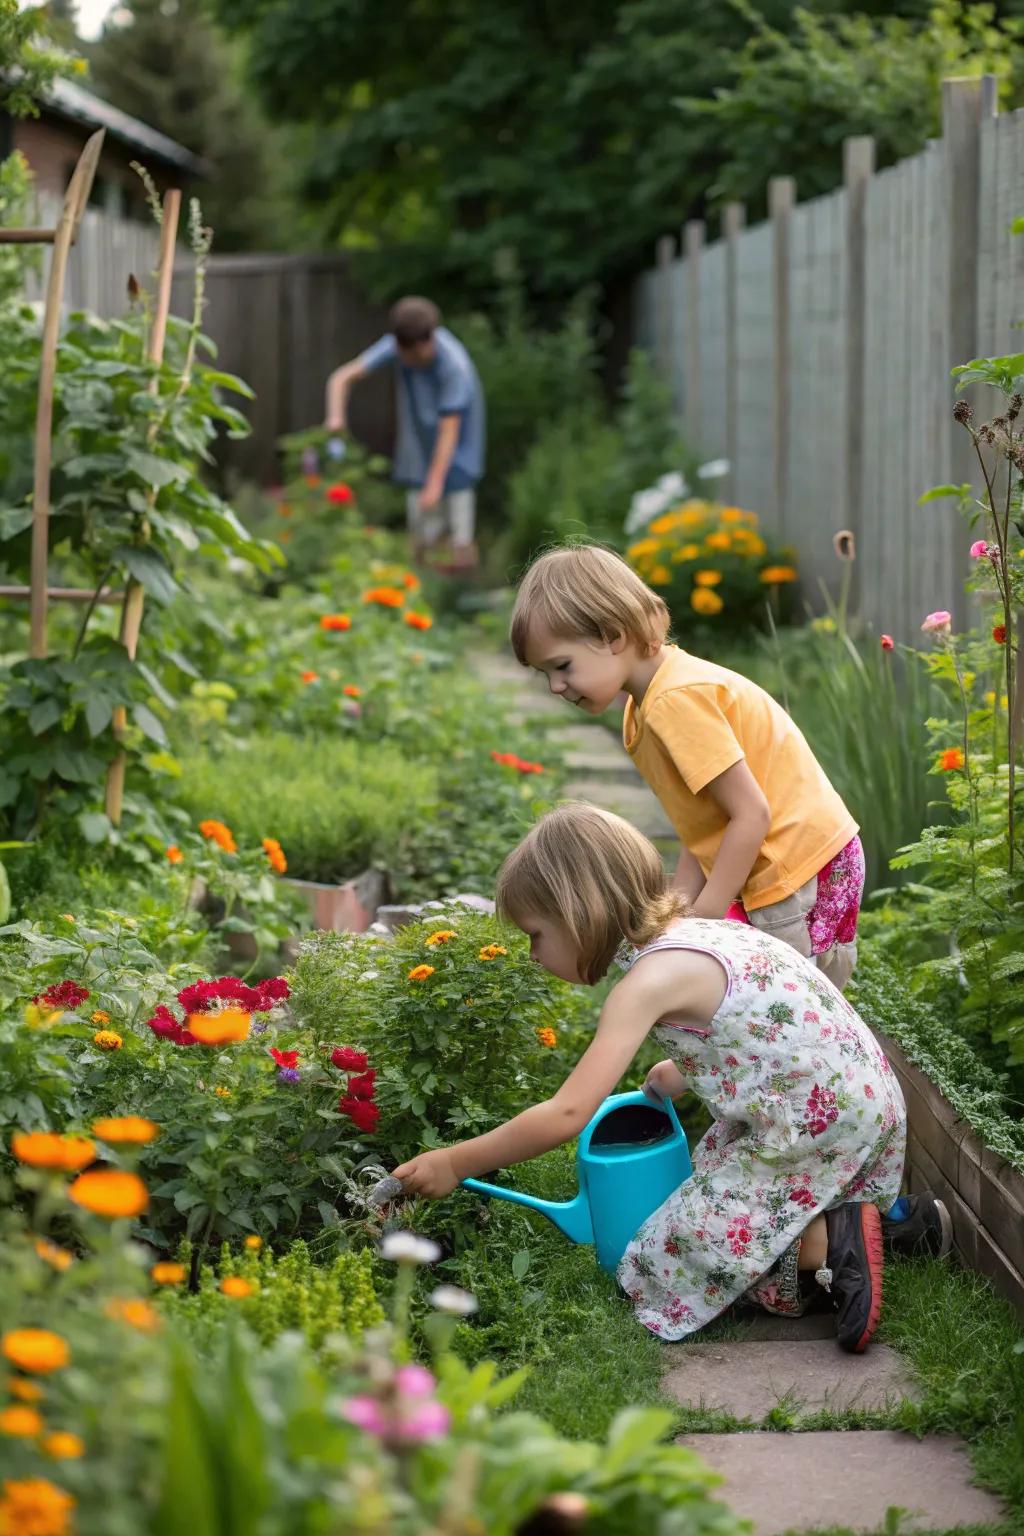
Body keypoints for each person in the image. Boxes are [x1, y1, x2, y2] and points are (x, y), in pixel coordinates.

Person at [506, 542, 950, 1261]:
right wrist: (682, 906)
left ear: (613, 637)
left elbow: (749, 816)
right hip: (773, 865)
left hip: (795, 867)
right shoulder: (641, 709)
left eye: (562, 666)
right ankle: (826, 1198)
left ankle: (880, 1218)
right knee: (756, 1025)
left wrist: (706, 918)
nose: (556, 686)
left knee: (792, 1048)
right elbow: (703, 825)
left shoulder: (676, 703)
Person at [394, 802, 909, 1350]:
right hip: (860, 1098)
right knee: (712, 1168)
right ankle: (904, 1225)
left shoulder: (645, 983)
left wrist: (457, 1161)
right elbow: (758, 1024)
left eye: (535, 935)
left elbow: (569, 1112)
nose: (532, 954)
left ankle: (832, 1244)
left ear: (578, 914)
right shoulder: (705, 932)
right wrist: (682, 1071)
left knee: (666, 1255)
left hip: (815, 1123)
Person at [324, 296, 485, 569]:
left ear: (425, 344)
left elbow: (449, 431)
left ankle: (458, 591)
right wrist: (335, 416)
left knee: (458, 541)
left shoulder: (453, 367)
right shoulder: (397, 347)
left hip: (457, 460)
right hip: (420, 458)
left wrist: (434, 484)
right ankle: (421, 589)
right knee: (421, 540)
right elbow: (341, 378)